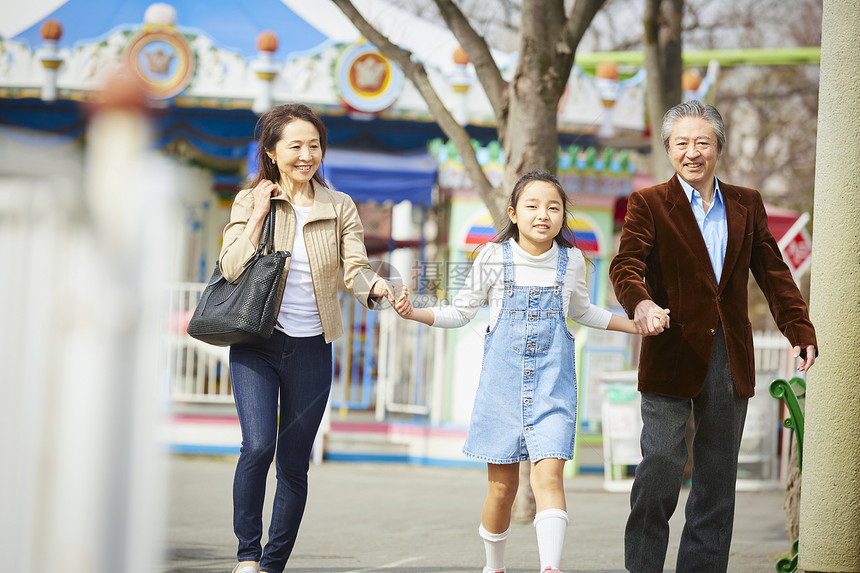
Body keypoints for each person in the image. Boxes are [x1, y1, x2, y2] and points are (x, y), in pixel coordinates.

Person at [389, 170, 669, 573]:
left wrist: (636, 323)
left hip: (552, 391)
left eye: (553, 207)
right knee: (502, 490)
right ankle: (494, 566)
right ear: (513, 214)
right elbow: (461, 311)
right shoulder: (491, 257)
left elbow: (583, 310)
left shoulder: (572, 260)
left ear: (562, 216)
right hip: (500, 392)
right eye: (533, 206)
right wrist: (413, 312)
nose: (544, 215)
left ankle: (550, 568)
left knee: (550, 479)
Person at [608, 100, 818, 573]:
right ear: (668, 149)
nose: (692, 152)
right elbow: (626, 266)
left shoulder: (747, 203)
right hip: (670, 348)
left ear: (719, 147)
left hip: (729, 354)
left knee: (716, 482)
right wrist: (640, 303)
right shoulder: (649, 203)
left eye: (702, 142)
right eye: (681, 143)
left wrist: (798, 327)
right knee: (660, 465)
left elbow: (773, 271)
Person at [218, 103, 401, 573]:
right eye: (295, 145)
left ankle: (273, 564)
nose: (306, 155)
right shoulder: (249, 200)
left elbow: (354, 270)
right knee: (258, 446)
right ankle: (247, 555)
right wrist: (258, 212)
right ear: (273, 152)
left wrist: (377, 287)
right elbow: (231, 266)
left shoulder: (339, 206)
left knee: (294, 464)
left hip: (311, 347)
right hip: (257, 341)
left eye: (314, 145)